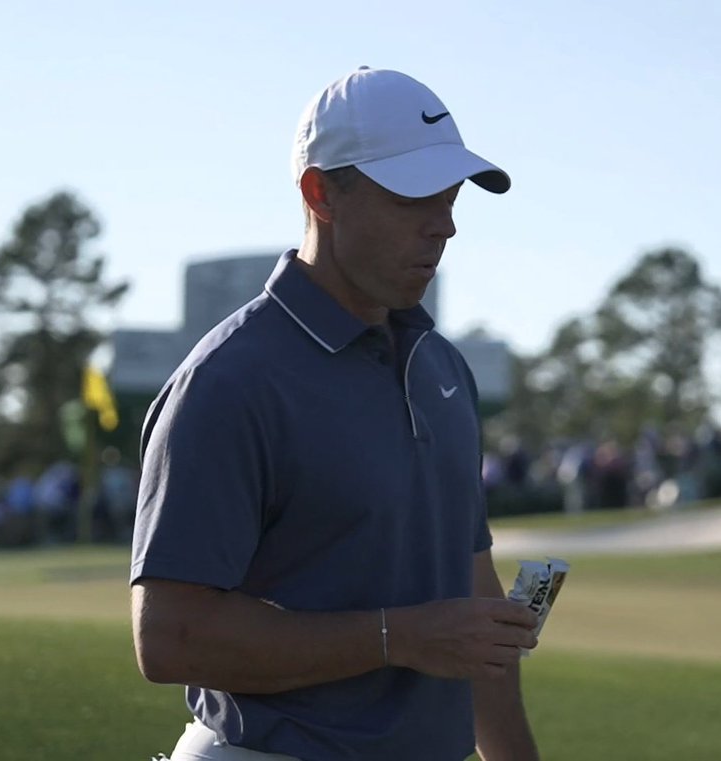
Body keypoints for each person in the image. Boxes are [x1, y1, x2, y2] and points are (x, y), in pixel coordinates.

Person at [130, 67, 541, 761]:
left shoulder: (442, 367)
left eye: (450, 200)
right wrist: (400, 637)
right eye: (415, 200)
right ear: (321, 192)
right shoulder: (229, 380)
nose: (444, 227)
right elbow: (170, 637)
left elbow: (473, 605)